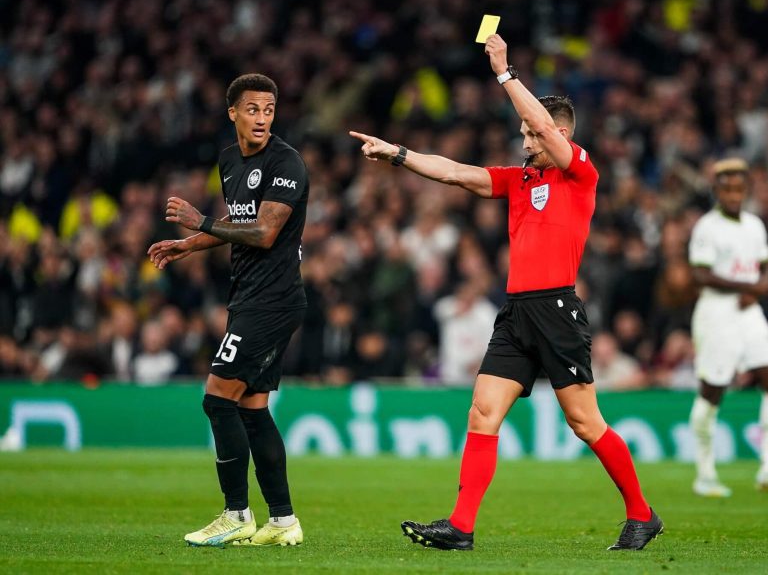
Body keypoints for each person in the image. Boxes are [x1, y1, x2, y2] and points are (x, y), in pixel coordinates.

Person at [350, 34, 662, 552]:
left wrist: (503, 72)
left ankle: (642, 514)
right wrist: (398, 154)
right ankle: (461, 526)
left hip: (558, 308)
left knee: (585, 422)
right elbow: (453, 172)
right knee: (483, 412)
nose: (525, 143)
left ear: (559, 134)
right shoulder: (519, 180)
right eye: (522, 135)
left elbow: (540, 121)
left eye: (532, 136)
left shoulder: (579, 171)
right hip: (516, 312)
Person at [147, 73, 310, 546]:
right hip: (248, 296)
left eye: (269, 109)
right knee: (253, 408)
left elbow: (264, 234)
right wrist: (190, 244)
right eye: (253, 109)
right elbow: (235, 223)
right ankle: (283, 522)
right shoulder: (228, 160)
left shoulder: (286, 162)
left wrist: (200, 222)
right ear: (233, 113)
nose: (262, 118)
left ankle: (236, 515)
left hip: (273, 301)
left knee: (217, 399)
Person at [688, 157, 768, 498]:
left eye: (739, 188)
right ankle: (705, 473)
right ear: (716, 190)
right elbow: (701, 274)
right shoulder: (707, 227)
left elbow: (766, 266)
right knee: (713, 390)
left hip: (748, 313)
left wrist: (761, 285)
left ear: (746, 190)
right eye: (727, 188)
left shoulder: (754, 225)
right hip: (716, 313)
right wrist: (748, 288)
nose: (734, 194)